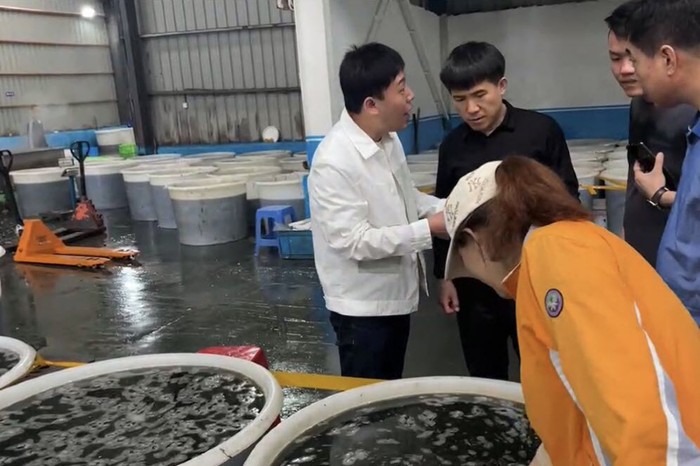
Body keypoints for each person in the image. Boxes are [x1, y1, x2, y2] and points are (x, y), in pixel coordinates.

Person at [443, 155, 700, 465]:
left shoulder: (558, 253)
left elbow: (639, 407)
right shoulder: (563, 247)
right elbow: (580, 392)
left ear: (474, 241)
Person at [433, 41, 579, 381]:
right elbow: (446, 213)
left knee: (543, 369)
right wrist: (446, 276)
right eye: (459, 99)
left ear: (501, 86)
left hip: (533, 275)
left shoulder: (540, 132)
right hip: (475, 284)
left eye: (479, 95)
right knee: (484, 371)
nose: (471, 108)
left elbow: (567, 198)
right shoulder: (452, 146)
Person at [308, 43, 446, 380]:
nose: (411, 95)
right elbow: (354, 241)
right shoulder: (334, 161)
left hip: (395, 298)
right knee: (366, 399)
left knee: (389, 389)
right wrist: (429, 230)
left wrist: (451, 207)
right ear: (371, 104)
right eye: (401, 88)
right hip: (362, 311)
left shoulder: (388, 140)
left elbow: (406, 197)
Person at [623, 0, 700, 324]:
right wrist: (661, 194)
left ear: (668, 58)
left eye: (635, 60)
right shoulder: (695, 129)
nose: (631, 71)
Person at [605, 3, 696, 267]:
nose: (625, 69)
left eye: (632, 58)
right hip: (646, 256)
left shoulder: (691, 112)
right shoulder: (639, 105)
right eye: (615, 58)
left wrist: (660, 195)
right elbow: (636, 177)